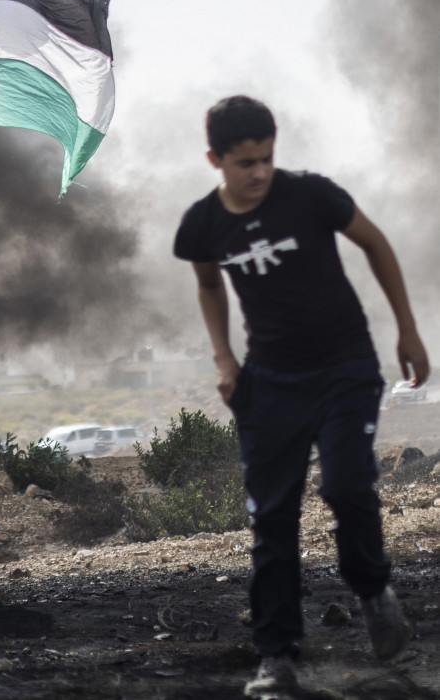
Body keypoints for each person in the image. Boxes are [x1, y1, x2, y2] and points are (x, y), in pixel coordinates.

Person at [173, 95, 429, 698]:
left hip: (345, 367)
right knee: (273, 519)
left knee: (345, 485)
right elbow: (210, 285)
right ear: (215, 159)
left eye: (266, 157)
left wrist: (409, 329)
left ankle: (371, 590)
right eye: (244, 163)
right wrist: (225, 359)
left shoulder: (312, 195)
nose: (259, 172)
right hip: (271, 382)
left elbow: (377, 244)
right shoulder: (203, 225)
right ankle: (277, 658)